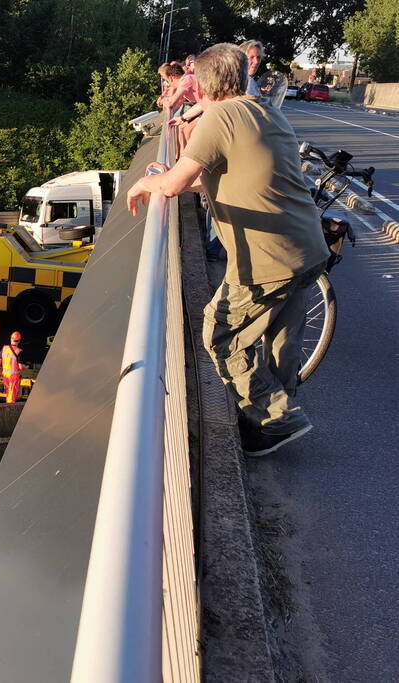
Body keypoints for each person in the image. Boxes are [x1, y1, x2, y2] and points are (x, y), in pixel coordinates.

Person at [125, 43, 329, 457]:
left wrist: (148, 182)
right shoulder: (264, 110)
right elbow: (227, 175)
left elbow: (173, 185)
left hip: (269, 257)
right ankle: (272, 419)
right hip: (307, 247)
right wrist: (176, 177)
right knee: (281, 339)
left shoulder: (220, 117)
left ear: (201, 86)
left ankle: (277, 419)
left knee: (220, 333)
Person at [0, 331, 29, 404]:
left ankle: (8, 405)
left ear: (11, 339)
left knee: (8, 393)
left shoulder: (4, 348)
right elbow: (20, 366)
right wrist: (26, 367)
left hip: (5, 375)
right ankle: (10, 408)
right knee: (12, 395)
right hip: (13, 377)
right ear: (19, 341)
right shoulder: (18, 351)